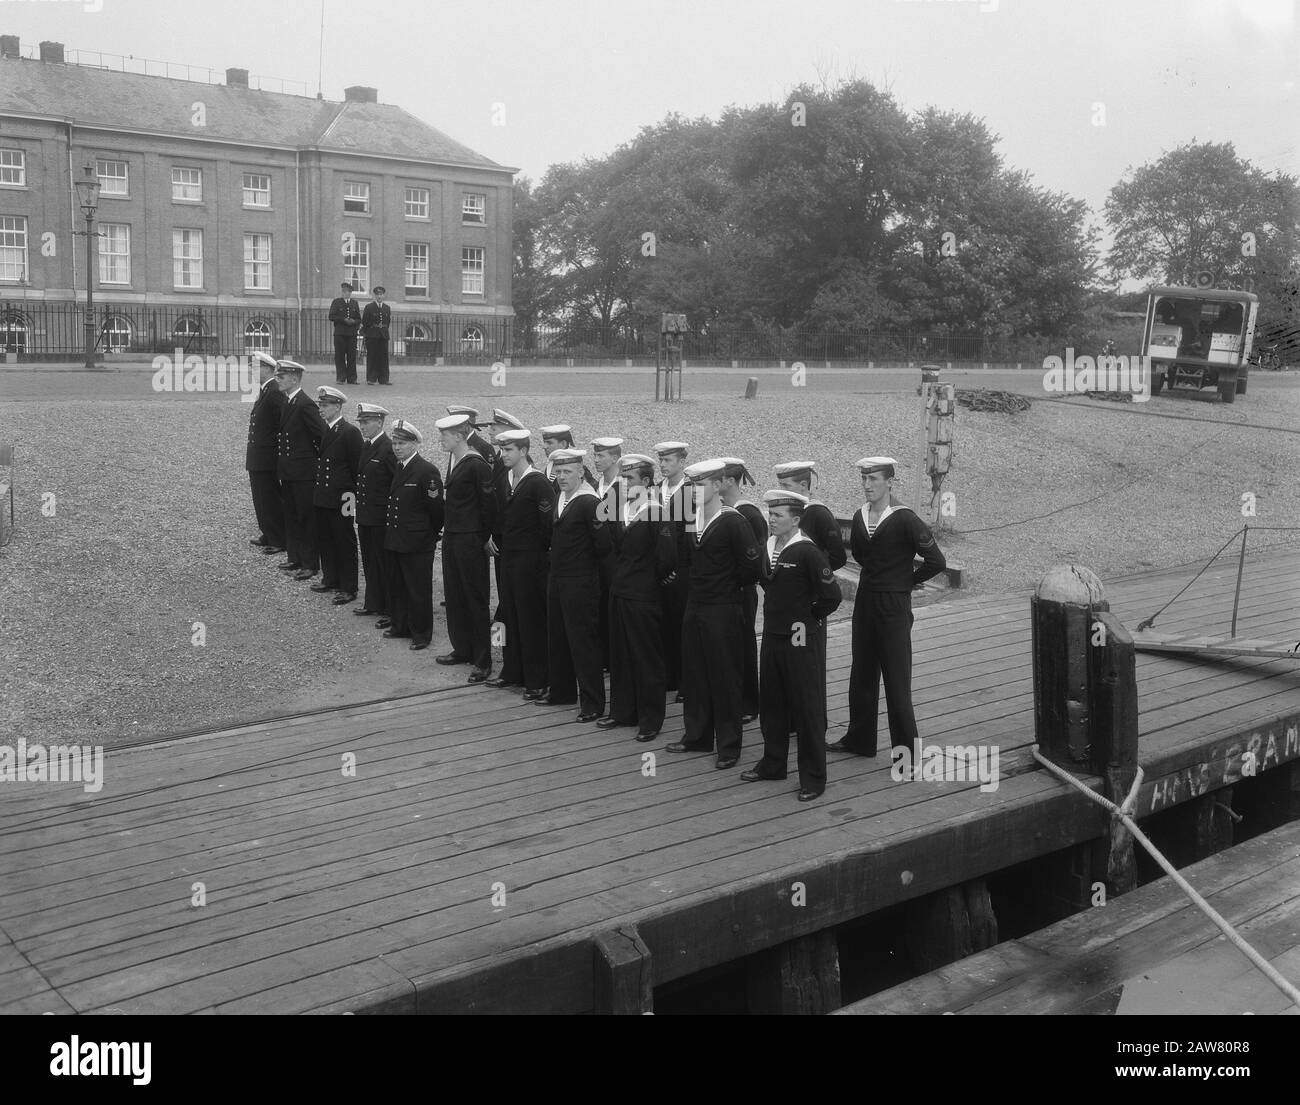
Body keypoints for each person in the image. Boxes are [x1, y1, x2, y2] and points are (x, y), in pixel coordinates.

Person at [830, 457, 947, 760]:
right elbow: (859, 552)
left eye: (874, 479)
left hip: (894, 606)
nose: (868, 486)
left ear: (890, 482)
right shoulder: (859, 516)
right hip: (867, 601)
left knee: (897, 682)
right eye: (864, 479)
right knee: (862, 675)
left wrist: (906, 581)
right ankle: (860, 739)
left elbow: (937, 561)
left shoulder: (905, 518)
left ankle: (907, 754)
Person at [741, 490, 842, 801]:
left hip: (799, 634)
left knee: (805, 706)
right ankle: (773, 763)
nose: (771, 519)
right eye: (770, 514)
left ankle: (813, 777)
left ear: (796, 520)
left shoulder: (808, 552)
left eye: (778, 515)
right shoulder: (768, 546)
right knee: (772, 703)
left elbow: (832, 596)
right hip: (773, 634)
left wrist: (808, 618)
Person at [666, 458, 761, 770]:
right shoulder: (693, 518)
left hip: (723, 608)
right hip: (696, 605)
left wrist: (725, 589)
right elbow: (685, 558)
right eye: (692, 485)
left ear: (719, 485)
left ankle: (729, 744)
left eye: (702, 484)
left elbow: (750, 567)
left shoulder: (734, 521)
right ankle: (697, 735)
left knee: (725, 676)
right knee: (694, 673)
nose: (695, 491)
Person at [599, 453, 676, 742]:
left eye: (629, 478)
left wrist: (646, 581)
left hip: (643, 596)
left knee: (646, 657)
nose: (624, 482)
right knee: (620, 654)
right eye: (622, 477)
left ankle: (650, 718)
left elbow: (667, 558)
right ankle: (622, 711)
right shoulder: (625, 509)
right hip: (620, 591)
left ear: (645, 481)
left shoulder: (657, 512)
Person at [774, 461, 847, 729]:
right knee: (791, 662)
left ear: (804, 486)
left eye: (786, 486)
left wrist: (814, 577)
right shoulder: (790, 512)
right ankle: (794, 718)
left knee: (809, 665)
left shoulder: (817, 513)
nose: (782, 491)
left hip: (811, 603)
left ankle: (814, 722)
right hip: (789, 603)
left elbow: (837, 555)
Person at [485, 428, 554, 700]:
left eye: (509, 450)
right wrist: (492, 535)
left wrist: (539, 559)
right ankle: (510, 670)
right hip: (506, 560)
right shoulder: (504, 477)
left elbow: (547, 526)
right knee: (506, 616)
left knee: (531, 620)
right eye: (502, 450)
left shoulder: (537, 482)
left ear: (524, 451)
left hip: (530, 562)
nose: (503, 455)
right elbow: (499, 514)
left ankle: (537, 679)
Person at [545, 448, 610, 721]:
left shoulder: (590, 502)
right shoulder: (562, 497)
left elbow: (604, 546)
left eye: (567, 471)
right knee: (558, 637)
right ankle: (562, 691)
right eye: (558, 472)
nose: (561, 477)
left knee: (583, 642)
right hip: (558, 578)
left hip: (581, 581)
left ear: (581, 472)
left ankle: (593, 702)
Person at [436, 412, 496, 682]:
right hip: (454, 535)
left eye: (445, 435)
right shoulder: (459, 460)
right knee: (456, 595)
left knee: (475, 598)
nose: (441, 439)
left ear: (459, 436)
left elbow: (488, 507)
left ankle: (483, 660)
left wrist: (482, 538)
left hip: (470, 539)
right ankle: (463, 648)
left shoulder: (476, 464)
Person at [382, 420, 444, 650]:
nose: (397, 448)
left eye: (402, 443)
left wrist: (430, 534)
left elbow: (437, 508)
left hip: (417, 541)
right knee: (398, 585)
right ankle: (401, 625)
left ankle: (421, 633)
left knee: (418, 589)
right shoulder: (401, 467)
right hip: (398, 538)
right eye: (394, 443)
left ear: (414, 444)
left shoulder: (426, 470)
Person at [719, 458, 767, 722]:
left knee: (745, 644)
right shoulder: (725, 510)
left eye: (719, 478)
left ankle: (749, 703)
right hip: (728, 591)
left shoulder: (749, 513)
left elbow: (757, 557)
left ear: (730, 482)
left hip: (742, 589)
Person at [273, 359, 327, 580]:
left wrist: (313, 461)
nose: (278, 380)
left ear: (294, 378)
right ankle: (295, 557)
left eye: (282, 377)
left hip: (304, 472)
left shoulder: (305, 404)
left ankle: (310, 563)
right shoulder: (288, 401)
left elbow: (322, 435)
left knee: (306, 518)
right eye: (278, 376)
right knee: (292, 515)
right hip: (289, 470)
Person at [311, 386, 363, 604]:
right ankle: (330, 577)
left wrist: (352, 497)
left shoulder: (349, 432)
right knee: (325, 537)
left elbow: (355, 468)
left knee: (344, 539)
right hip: (324, 494)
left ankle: (348, 586)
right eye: (320, 405)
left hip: (343, 496)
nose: (321, 409)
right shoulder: (326, 429)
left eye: (325, 405)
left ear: (338, 406)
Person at [654, 441, 692, 700]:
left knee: (683, 627)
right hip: (661, 568)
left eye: (669, 461)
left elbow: (690, 535)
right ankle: (668, 676)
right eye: (662, 460)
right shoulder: (657, 490)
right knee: (664, 624)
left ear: (681, 462)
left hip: (683, 569)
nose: (664, 465)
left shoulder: (691, 492)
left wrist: (678, 568)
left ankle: (685, 681)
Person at [354, 403, 397, 619]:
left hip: (380, 517)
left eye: (366, 422)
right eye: (361, 422)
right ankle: (373, 602)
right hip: (366, 515)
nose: (362, 426)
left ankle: (389, 608)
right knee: (370, 560)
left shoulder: (388, 448)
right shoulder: (368, 445)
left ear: (379, 422)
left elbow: (395, 483)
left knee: (384, 563)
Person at [246, 350, 286, 555]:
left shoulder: (274, 391)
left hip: (267, 456)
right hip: (259, 456)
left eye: (255, 367)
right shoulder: (265, 390)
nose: (251, 370)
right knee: (261, 497)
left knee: (269, 497)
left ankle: (278, 537)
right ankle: (268, 532)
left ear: (268, 369)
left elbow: (284, 422)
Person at [590, 436, 624, 670]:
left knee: (616, 609)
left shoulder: (628, 487)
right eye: (595, 455)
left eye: (601, 455)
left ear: (615, 458)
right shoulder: (594, 486)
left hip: (617, 558)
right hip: (596, 559)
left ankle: (615, 657)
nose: (596, 460)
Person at [328, 282, 362, 385]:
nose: (346, 293)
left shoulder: (354, 303)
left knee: (352, 357)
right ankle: (341, 378)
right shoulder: (336, 302)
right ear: (342, 292)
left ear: (351, 293)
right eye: (344, 291)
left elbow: (358, 319)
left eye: (348, 292)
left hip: (351, 334)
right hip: (340, 334)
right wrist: (343, 320)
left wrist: (353, 321)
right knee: (340, 356)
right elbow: (331, 316)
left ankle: (352, 378)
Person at [361, 286, 391, 386]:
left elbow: (388, 322)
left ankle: (384, 379)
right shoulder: (369, 307)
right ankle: (371, 378)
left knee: (383, 358)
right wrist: (368, 334)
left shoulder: (387, 308)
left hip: (383, 336)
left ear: (384, 295)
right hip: (372, 335)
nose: (379, 296)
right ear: (375, 295)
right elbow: (365, 322)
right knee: (372, 357)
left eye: (381, 294)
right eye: (377, 294)